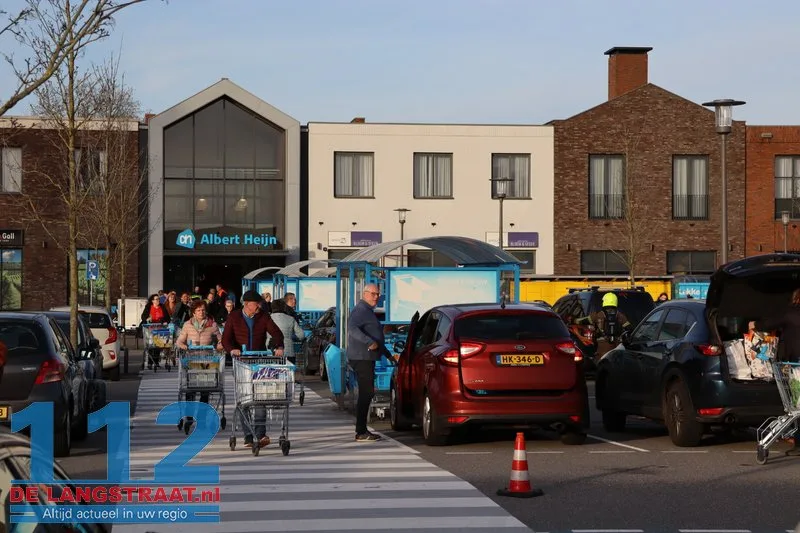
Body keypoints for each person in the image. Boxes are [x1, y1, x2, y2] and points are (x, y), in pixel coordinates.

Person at [222, 290, 285, 449]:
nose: (258, 306)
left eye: (259, 304)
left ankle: (261, 434)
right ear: (247, 304)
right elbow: (225, 339)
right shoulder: (234, 317)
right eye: (256, 304)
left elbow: (276, 333)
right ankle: (248, 436)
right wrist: (232, 350)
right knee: (244, 400)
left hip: (258, 361)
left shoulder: (263, 316)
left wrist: (279, 346)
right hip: (241, 361)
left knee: (260, 397)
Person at [749, 288, 800, 455]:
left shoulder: (790, 314)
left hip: (796, 363)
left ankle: (798, 444)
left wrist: (754, 324)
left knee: (797, 404)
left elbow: (770, 323)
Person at [347, 283, 389, 442]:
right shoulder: (360, 310)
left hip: (366, 357)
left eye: (377, 294)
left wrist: (388, 354)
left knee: (367, 392)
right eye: (373, 294)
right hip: (362, 357)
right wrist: (368, 342)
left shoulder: (367, 311)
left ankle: (362, 430)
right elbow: (352, 328)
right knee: (367, 392)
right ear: (364, 294)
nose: (376, 297)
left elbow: (377, 337)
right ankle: (361, 431)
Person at [176, 299, 223, 424]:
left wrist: (219, 345)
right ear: (193, 313)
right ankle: (190, 417)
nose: (201, 312)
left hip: (207, 362)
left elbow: (220, 340)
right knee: (190, 390)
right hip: (191, 361)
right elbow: (179, 341)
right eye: (198, 310)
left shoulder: (212, 325)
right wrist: (184, 346)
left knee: (205, 391)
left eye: (203, 310)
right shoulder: (187, 325)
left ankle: (201, 417)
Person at [578, 292, 632, 360]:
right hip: (617, 347)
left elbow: (582, 321)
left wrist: (572, 320)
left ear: (605, 301)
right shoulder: (620, 315)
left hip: (602, 348)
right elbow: (629, 328)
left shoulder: (598, 315)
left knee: (600, 365)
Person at [270, 299, 306, 365]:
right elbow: (301, 335)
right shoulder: (291, 319)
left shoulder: (268, 319)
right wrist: (291, 337)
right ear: (284, 307)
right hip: (288, 352)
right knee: (288, 373)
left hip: (270, 353)